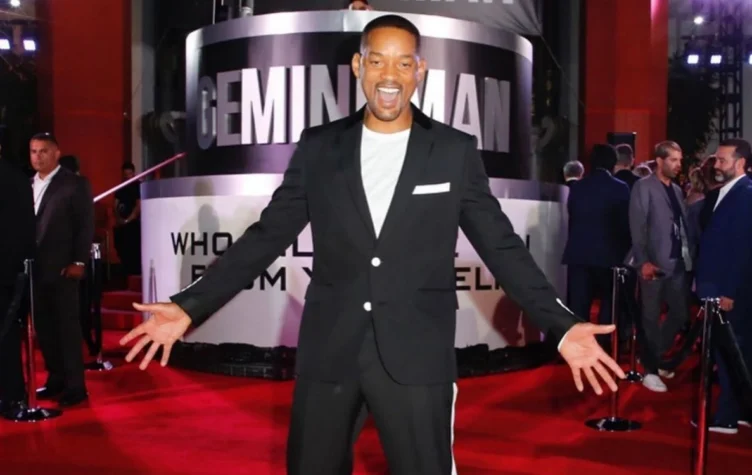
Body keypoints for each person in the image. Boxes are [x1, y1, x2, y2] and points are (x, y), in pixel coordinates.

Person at [121, 15, 625, 474]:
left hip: (417, 354)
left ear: (420, 71)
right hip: (330, 351)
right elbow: (267, 236)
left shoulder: (452, 151)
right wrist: (190, 305)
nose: (390, 75)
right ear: (358, 66)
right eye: (378, 60)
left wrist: (560, 325)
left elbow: (501, 246)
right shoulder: (319, 147)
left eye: (404, 63)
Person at [30, 133, 94, 407]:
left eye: (43, 151)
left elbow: (85, 225)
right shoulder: (27, 184)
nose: (38, 156)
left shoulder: (75, 184)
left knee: (67, 328)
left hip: (63, 269)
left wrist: (79, 261)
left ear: (56, 153)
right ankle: (56, 378)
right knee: (44, 328)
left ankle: (75, 386)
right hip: (33, 270)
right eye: (33, 151)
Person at [627, 141, 694, 393]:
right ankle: (651, 370)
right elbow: (638, 226)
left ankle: (652, 356)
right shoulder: (643, 187)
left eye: (680, 160)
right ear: (659, 161)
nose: (679, 165)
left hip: (677, 263)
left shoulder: (676, 190)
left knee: (680, 314)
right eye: (673, 160)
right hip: (652, 263)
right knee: (650, 318)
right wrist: (643, 261)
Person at [695, 138, 752, 434]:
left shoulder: (745, 194)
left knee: (729, 353)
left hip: (727, 290)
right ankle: (741, 411)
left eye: (722, 160)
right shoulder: (727, 192)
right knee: (736, 352)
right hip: (717, 285)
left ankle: (727, 416)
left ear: (740, 163)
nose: (716, 164)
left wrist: (728, 291)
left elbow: (743, 248)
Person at [562, 145, 631, 343]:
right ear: (613, 163)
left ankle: (579, 345)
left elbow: (572, 217)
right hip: (609, 256)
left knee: (578, 307)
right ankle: (603, 345)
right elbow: (623, 224)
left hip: (579, 254)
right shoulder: (620, 188)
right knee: (608, 304)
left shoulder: (578, 187)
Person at [0, 157, 35, 413]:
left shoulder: (13, 178)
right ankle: (12, 395)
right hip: (14, 271)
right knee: (9, 334)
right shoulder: (19, 178)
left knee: (7, 334)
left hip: (9, 272)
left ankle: (12, 395)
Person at [113, 162, 142, 276]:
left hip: (134, 224)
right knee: (121, 248)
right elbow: (115, 205)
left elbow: (138, 206)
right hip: (121, 224)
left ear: (133, 173)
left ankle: (134, 274)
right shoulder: (121, 187)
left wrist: (128, 220)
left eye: (129, 174)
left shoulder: (138, 186)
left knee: (133, 250)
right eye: (125, 174)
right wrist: (118, 218)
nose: (127, 177)